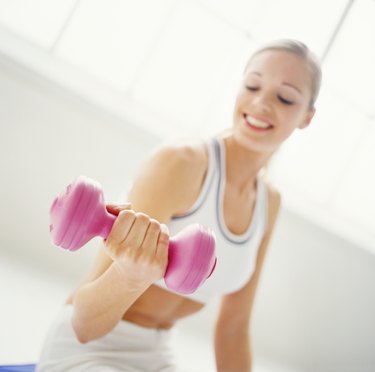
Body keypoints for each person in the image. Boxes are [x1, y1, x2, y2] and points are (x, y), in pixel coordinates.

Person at [37, 39, 322, 371]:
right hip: (90, 345)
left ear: (307, 117)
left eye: (285, 98)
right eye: (252, 85)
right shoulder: (181, 163)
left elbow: (232, 330)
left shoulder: (269, 204)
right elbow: (84, 325)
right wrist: (131, 276)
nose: (260, 103)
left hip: (157, 356)